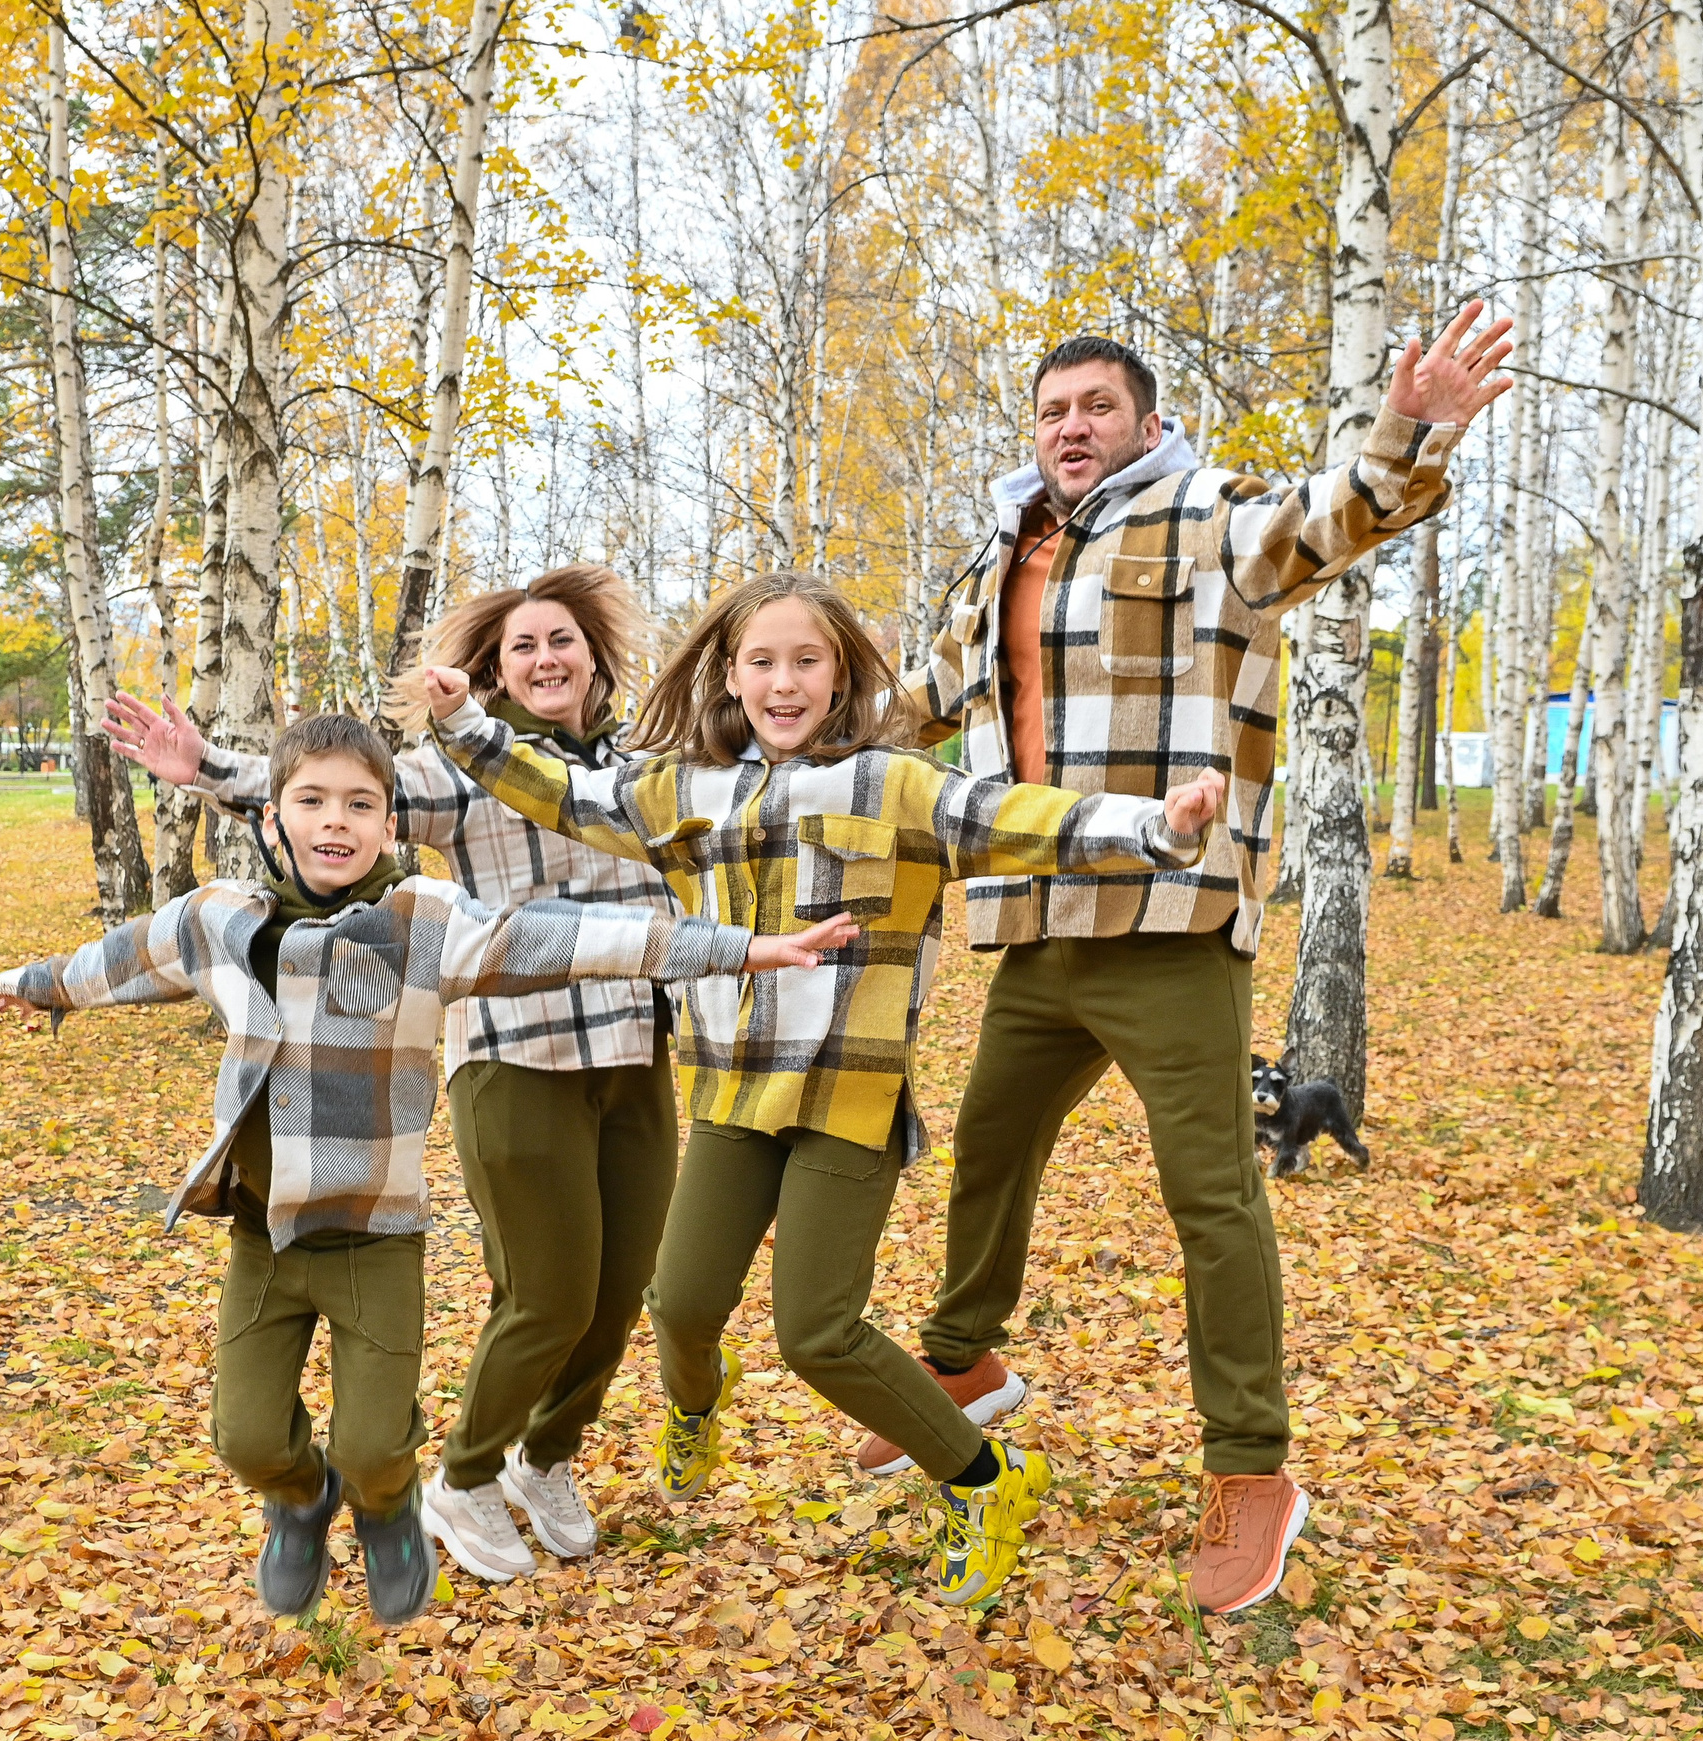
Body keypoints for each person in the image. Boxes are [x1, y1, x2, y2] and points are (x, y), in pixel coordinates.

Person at [880, 304, 1516, 1616]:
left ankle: (1251, 1466)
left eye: (1097, 409)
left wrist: (1413, 428)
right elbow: (915, 699)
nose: (1072, 429)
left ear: (1147, 423)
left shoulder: (1210, 515)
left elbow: (1335, 516)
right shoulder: (1001, 555)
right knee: (988, 1152)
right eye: (1054, 412)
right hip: (1031, 920)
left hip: (1168, 921)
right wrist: (767, 705)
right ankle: (957, 1362)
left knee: (1211, 1195)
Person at [423, 571, 1228, 1604]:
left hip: (845, 1098)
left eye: (807, 659)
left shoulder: (894, 786)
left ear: (840, 671)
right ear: (729, 674)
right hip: (728, 1097)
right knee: (678, 1305)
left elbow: (1024, 820)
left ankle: (983, 1480)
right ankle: (694, 1408)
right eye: (762, 661)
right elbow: (565, 795)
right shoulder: (682, 791)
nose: (784, 681)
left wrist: (1156, 830)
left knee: (815, 1331)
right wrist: (462, 724)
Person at [0, 710, 854, 1625]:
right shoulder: (220, 921)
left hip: (376, 1239)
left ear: (393, 824)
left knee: (378, 1445)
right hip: (264, 1237)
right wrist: (22, 986)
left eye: (361, 803)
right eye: (311, 801)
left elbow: (574, 939)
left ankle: (388, 1508)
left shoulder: (423, 923)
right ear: (274, 818)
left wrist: (739, 948)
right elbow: (118, 957)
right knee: (247, 1436)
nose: (335, 821)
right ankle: (303, 1501)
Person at [103, 567, 693, 1587]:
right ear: (494, 669)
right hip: (515, 1054)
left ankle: (542, 1458)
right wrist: (206, 767)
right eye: (522, 647)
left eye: (561, 641)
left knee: (618, 1291)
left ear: (594, 653)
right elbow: (341, 792)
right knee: (546, 1295)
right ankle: (460, 1478)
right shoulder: (463, 768)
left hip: (633, 1053)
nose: (545, 659)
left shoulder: (644, 766)